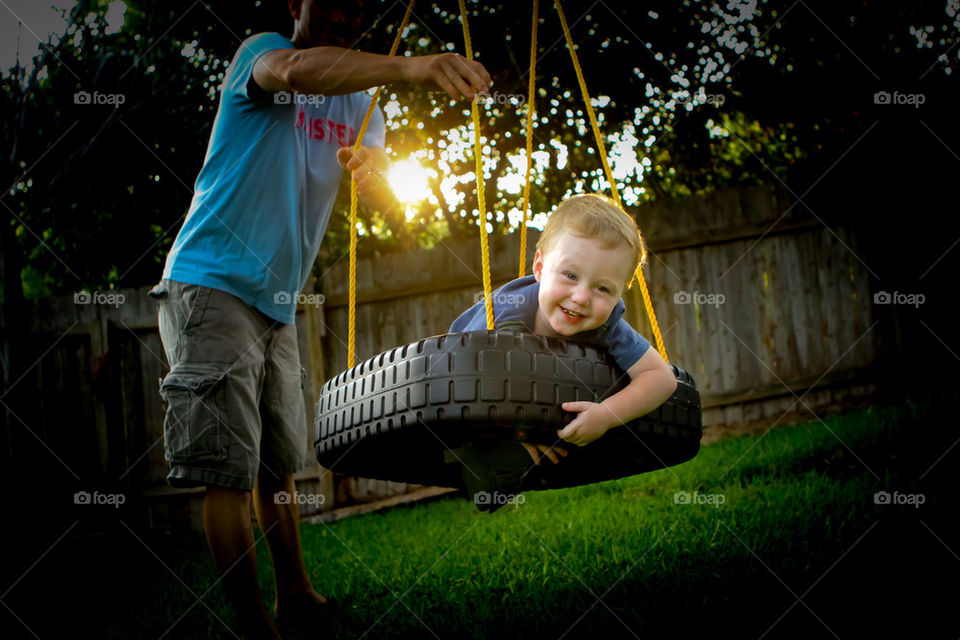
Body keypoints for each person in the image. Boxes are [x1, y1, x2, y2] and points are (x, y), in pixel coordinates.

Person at [149, 1, 491, 638]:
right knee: (225, 469)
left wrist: (376, 174)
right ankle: (255, 626)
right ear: (295, 6)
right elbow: (299, 71)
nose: (341, 13)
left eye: (354, 4)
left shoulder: (366, 108)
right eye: (326, 0)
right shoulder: (264, 52)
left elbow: (388, 194)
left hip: (277, 301)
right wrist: (412, 67)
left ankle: (297, 596)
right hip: (212, 282)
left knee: (277, 465)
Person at [449, 193, 678, 507]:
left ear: (619, 294)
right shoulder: (507, 311)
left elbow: (661, 378)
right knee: (495, 469)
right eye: (570, 276)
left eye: (603, 288)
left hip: (538, 394)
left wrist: (606, 415)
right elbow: (467, 381)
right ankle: (476, 466)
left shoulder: (608, 322)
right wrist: (515, 430)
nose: (582, 297)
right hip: (470, 396)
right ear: (540, 267)